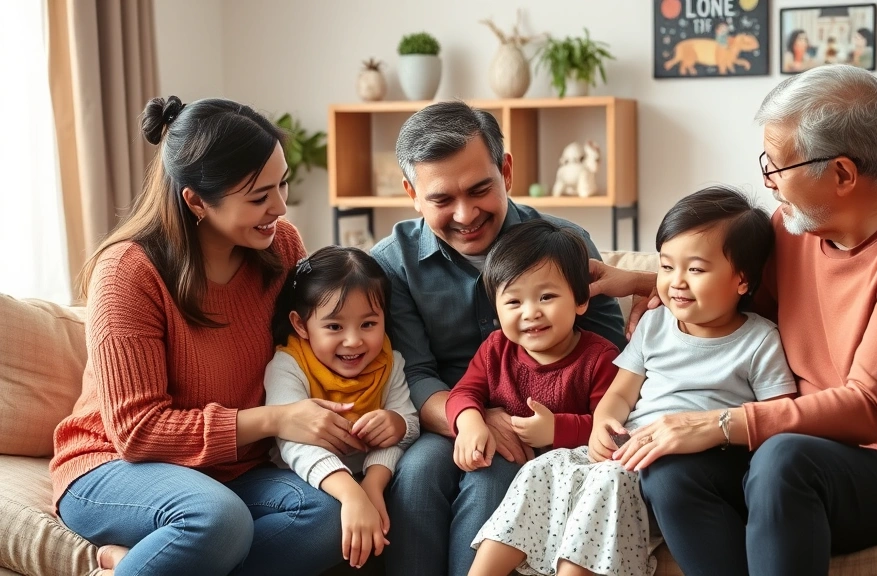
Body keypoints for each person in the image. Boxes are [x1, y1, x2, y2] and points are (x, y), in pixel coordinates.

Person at [589, 65, 877, 576]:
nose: (769, 182)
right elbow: (728, 290)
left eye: (778, 166)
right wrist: (642, 283)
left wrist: (716, 423)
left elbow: (870, 406)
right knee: (669, 468)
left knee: (783, 460)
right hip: (796, 451)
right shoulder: (794, 226)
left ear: (842, 174)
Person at [49, 96, 357, 576]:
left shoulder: (282, 246)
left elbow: (311, 344)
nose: (279, 206)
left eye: (283, 185)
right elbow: (137, 431)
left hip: (231, 470)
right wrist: (274, 419)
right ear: (195, 200)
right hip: (111, 468)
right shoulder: (128, 273)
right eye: (258, 197)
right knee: (217, 518)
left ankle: (139, 564)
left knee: (329, 515)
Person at [470, 187, 797, 576]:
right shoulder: (655, 324)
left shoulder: (759, 340)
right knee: (547, 466)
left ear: (742, 280)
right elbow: (621, 392)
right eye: (666, 266)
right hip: (629, 448)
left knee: (609, 476)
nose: (676, 282)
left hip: (689, 463)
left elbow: (777, 419)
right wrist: (603, 425)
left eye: (695, 269)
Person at [370, 100, 626, 576]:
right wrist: (476, 418)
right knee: (420, 473)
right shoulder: (392, 262)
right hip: (449, 414)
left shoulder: (564, 242)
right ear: (411, 193)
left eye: (480, 189)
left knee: (491, 477)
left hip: (553, 424)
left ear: (505, 170)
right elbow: (415, 374)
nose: (465, 215)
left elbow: (613, 364)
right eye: (442, 200)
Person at [265, 245, 420, 570]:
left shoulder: (388, 362)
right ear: (301, 324)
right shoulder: (288, 365)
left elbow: (407, 426)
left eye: (368, 324)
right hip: (305, 479)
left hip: (371, 475)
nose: (354, 341)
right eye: (335, 327)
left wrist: (396, 426)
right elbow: (295, 445)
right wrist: (352, 495)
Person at [447, 219, 619, 471]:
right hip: (505, 461)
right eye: (514, 302)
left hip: (570, 473)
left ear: (580, 299)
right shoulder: (495, 349)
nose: (530, 313)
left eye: (546, 297)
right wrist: (470, 422)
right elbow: (463, 392)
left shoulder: (600, 359)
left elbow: (611, 425)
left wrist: (556, 430)